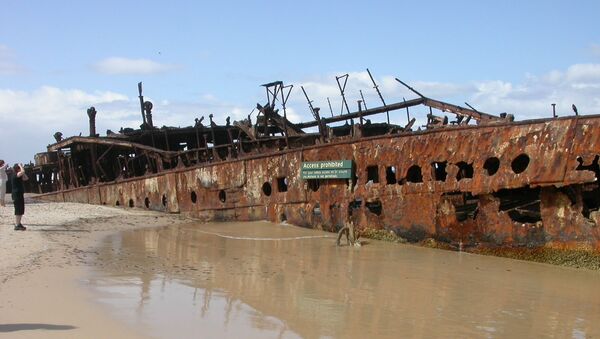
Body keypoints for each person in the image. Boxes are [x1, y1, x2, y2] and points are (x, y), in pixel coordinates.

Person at [11, 163, 28, 231]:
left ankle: (19, 223)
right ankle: (17, 225)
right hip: (16, 194)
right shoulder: (15, 175)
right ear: (17, 169)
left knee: (21, 209)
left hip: (19, 194)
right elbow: (23, 171)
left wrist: (22, 172)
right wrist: (21, 166)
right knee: (18, 209)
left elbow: (26, 178)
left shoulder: (19, 175)